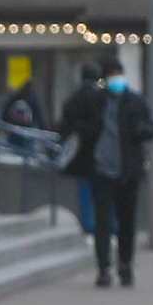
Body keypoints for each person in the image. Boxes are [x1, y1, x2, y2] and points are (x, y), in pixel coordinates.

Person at [61, 53, 153, 287]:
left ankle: (125, 265)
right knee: (102, 221)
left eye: (118, 75)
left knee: (126, 222)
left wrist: (139, 130)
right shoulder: (96, 102)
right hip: (101, 170)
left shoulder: (134, 101)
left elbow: (150, 128)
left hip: (128, 171)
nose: (116, 79)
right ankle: (104, 267)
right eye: (112, 75)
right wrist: (87, 131)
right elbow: (69, 114)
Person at [56, 61, 103, 234]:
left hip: (80, 156)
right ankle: (106, 228)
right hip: (100, 156)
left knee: (84, 193)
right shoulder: (103, 99)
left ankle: (88, 226)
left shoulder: (73, 99)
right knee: (103, 196)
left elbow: (65, 127)